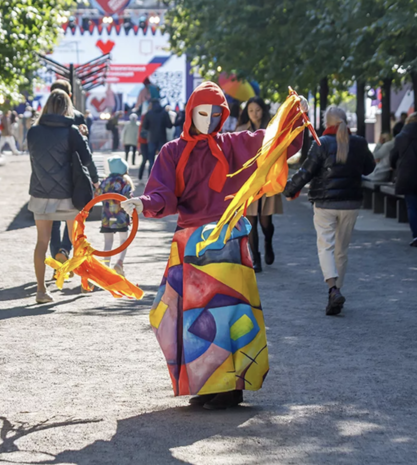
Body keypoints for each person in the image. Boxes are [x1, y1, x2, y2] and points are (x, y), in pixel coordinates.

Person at [121, 82, 307, 410]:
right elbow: (162, 194)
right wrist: (143, 203)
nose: (208, 119)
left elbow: (276, 142)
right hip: (191, 243)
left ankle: (231, 386)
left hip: (228, 239)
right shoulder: (172, 152)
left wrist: (296, 114)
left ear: (223, 115)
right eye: (202, 112)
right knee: (183, 316)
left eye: (215, 113)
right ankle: (206, 383)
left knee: (227, 314)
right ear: (190, 111)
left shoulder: (235, 144)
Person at [283, 106, 375, 316]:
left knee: (326, 246)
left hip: (325, 203)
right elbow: (369, 168)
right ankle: (337, 291)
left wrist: (289, 189)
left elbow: (306, 172)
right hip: (351, 204)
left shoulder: (321, 143)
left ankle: (332, 289)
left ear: (327, 123)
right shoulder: (359, 143)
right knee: (342, 251)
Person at [27, 90, 98, 304]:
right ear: (67, 108)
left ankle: (41, 290)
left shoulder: (33, 131)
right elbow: (86, 160)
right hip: (68, 195)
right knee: (77, 240)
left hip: (40, 193)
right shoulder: (72, 131)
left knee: (42, 241)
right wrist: (84, 137)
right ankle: (85, 283)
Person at [48, 80, 94, 271]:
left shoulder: (44, 120)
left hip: (49, 177)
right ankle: (65, 251)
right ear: (70, 95)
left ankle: (57, 256)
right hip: (73, 177)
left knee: (53, 220)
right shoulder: (76, 117)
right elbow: (85, 151)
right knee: (72, 218)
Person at [236, 96, 278, 271]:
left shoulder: (272, 128)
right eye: (251, 110)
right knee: (251, 220)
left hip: (267, 179)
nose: (254, 114)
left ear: (263, 110)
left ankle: (268, 242)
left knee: (265, 220)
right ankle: (256, 257)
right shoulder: (240, 130)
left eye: (257, 110)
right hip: (248, 181)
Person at [390, 112, 417, 247]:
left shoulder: (400, 138)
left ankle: (416, 235)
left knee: (412, 206)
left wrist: (395, 167)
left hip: (407, 176)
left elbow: (393, 157)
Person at [98, 156, 134, 276]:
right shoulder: (125, 182)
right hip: (122, 217)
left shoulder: (105, 181)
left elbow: (97, 194)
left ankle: (105, 268)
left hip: (107, 217)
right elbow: (129, 199)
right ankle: (119, 262)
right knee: (124, 240)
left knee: (107, 243)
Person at [139, 99, 172, 180]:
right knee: (162, 159)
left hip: (151, 138)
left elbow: (145, 127)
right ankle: (162, 178)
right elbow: (170, 125)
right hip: (162, 138)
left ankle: (151, 178)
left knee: (151, 159)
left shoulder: (149, 113)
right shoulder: (164, 113)